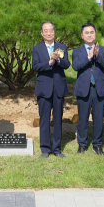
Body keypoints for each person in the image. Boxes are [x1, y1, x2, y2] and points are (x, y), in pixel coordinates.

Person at [32, 21, 70, 158]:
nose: (49, 33)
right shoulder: (37, 49)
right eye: (46, 31)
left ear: (54, 32)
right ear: (42, 33)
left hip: (59, 88)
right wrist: (50, 62)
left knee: (58, 119)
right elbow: (35, 66)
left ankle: (57, 148)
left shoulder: (62, 47)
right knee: (44, 119)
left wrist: (58, 60)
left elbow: (67, 64)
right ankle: (45, 149)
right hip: (44, 88)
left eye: (51, 30)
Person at [71, 23, 104, 155]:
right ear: (82, 35)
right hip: (84, 89)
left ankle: (97, 144)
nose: (89, 34)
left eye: (92, 32)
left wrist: (97, 55)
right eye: (86, 32)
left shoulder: (103, 50)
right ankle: (82, 144)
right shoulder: (77, 51)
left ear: (95, 34)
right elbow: (75, 66)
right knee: (83, 118)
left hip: (99, 88)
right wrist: (89, 57)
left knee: (99, 118)